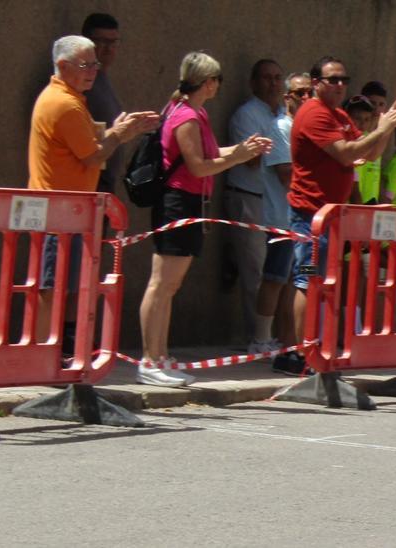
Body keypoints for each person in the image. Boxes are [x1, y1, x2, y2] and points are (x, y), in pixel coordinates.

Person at [137, 52, 272, 386]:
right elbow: (199, 166)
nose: (218, 86)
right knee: (162, 284)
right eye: (217, 80)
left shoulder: (196, 114)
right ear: (208, 81)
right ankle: (149, 359)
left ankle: (161, 356)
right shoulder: (185, 116)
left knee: (170, 284)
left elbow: (211, 155)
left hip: (190, 203)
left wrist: (244, 149)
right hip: (178, 203)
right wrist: (238, 157)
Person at [27, 35, 158, 358]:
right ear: (62, 66)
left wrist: (116, 131)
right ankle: (44, 353)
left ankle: (64, 347)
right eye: (86, 65)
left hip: (70, 209)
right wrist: (119, 134)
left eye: (95, 64)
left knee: (68, 282)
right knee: (52, 284)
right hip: (57, 210)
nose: (93, 71)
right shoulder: (64, 103)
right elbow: (92, 156)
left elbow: (87, 143)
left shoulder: (72, 99)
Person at [285, 56, 396, 374]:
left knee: (323, 284)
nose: (340, 85)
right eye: (333, 80)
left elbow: (369, 153)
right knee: (307, 281)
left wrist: (385, 130)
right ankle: (301, 355)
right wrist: (382, 128)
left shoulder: (338, 115)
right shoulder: (314, 114)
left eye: (344, 79)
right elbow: (346, 153)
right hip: (309, 218)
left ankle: (315, 350)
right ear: (316, 83)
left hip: (331, 219)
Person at [224, 59, 292, 357]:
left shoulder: (283, 116)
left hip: (278, 207)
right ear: (253, 82)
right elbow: (252, 160)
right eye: (267, 78)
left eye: (278, 78)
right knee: (257, 271)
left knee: (285, 274)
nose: (273, 84)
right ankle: (259, 339)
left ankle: (281, 337)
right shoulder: (247, 114)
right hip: (249, 197)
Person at [267, 73, 313, 375]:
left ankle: (291, 345)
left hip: (305, 224)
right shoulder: (282, 127)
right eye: (299, 93)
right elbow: (287, 173)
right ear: (287, 97)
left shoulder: (306, 126)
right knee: (290, 282)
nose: (306, 98)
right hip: (284, 220)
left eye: (310, 92)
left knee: (297, 281)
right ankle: (287, 347)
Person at [80, 13, 125, 196]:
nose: (109, 49)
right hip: (89, 182)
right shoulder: (81, 83)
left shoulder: (102, 79)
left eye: (113, 43)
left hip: (105, 181)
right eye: (102, 42)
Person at [343, 95, 381, 204]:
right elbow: (353, 189)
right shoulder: (343, 142)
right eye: (357, 118)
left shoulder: (367, 143)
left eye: (367, 119)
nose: (362, 123)